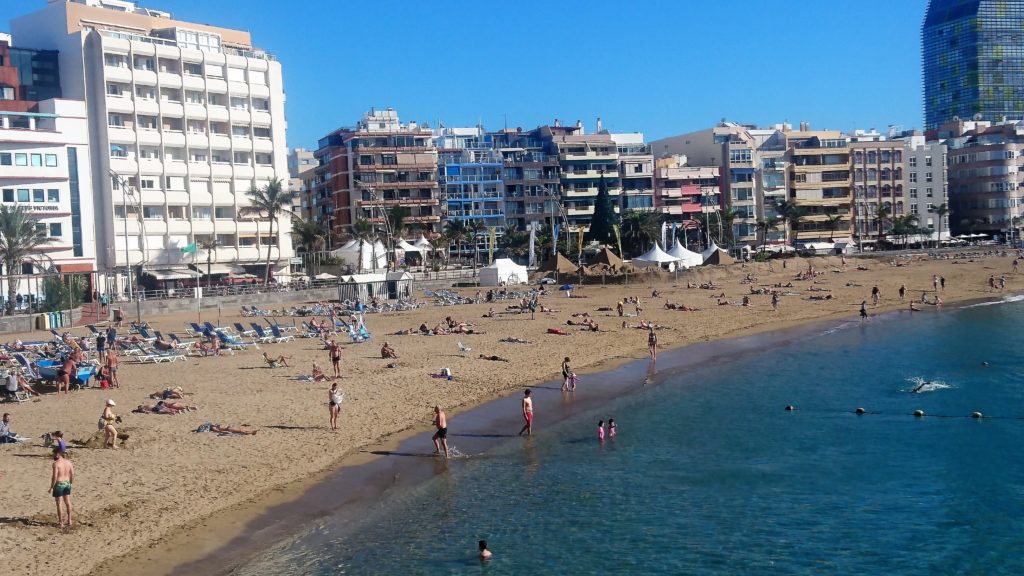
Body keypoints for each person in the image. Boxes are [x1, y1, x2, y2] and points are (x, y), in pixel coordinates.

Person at [48, 448, 74, 528]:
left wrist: (51, 487)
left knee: (59, 504)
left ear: (57, 454)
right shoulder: (69, 462)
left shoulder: (56, 464)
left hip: (59, 484)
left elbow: (55, 477)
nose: (53, 455)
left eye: (54, 454)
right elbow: (72, 474)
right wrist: (71, 483)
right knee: (68, 502)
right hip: (67, 483)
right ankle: (69, 520)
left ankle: (61, 522)